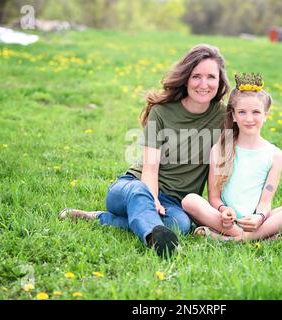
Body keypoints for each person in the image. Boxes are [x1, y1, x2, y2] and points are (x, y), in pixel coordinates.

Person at [60, 44, 230, 257]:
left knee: (181, 225)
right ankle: (153, 237)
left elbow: (252, 119)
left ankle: (98, 218)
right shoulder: (161, 112)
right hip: (135, 186)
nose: (203, 84)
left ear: (220, 80)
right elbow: (150, 167)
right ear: (186, 78)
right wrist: (153, 199)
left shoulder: (222, 117)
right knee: (141, 195)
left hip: (175, 202)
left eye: (211, 77)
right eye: (196, 76)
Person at [181, 73, 282, 241]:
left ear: (265, 115)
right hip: (226, 220)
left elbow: (265, 201)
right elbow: (213, 197)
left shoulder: (275, 155)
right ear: (234, 116)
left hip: (256, 220)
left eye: (256, 112)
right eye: (242, 112)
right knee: (190, 201)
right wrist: (223, 211)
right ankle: (256, 238)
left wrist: (260, 217)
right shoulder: (220, 149)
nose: (249, 118)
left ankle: (232, 239)